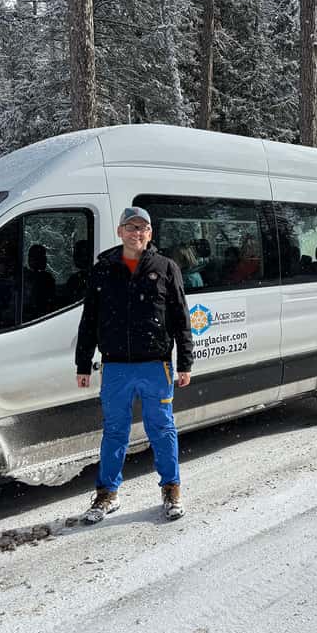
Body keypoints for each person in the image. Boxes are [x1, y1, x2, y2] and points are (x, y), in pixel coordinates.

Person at [75, 207, 195, 524]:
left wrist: (185, 361)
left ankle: (171, 489)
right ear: (120, 232)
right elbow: (89, 319)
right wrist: (83, 363)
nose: (136, 233)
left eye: (142, 228)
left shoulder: (166, 267)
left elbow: (181, 318)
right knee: (114, 432)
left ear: (150, 233)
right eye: (130, 227)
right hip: (115, 367)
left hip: (156, 366)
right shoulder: (103, 270)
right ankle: (107, 494)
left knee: (162, 429)